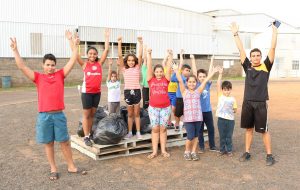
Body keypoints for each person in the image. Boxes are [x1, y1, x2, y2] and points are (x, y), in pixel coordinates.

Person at [10, 31, 87, 181]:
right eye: (48, 65)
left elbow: (72, 61)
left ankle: (71, 166)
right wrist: (15, 50)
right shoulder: (38, 78)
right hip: (44, 116)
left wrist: (75, 45)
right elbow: (21, 67)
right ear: (43, 65)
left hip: (58, 115)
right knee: (49, 143)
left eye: (53, 65)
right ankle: (53, 168)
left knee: (64, 142)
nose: (50, 67)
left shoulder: (60, 75)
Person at [231, 22, 278, 166]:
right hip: (247, 103)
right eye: (253, 56)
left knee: (264, 131)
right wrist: (235, 34)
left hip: (261, 104)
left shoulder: (266, 66)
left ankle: (269, 155)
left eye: (258, 55)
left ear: (261, 57)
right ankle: (247, 152)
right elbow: (240, 50)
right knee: (249, 129)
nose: (256, 57)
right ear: (250, 58)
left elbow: (273, 47)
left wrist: (274, 32)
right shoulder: (248, 66)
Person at [70, 29, 110, 146]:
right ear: (87, 55)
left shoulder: (99, 63)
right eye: (90, 53)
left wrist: (106, 37)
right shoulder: (84, 64)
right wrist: (72, 42)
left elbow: (106, 50)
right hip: (87, 93)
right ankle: (86, 136)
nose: (92, 55)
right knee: (86, 115)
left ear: (96, 55)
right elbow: (74, 53)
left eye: (94, 53)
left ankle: (90, 133)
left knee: (92, 115)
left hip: (97, 93)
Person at [175, 64, 218, 161]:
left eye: (193, 82)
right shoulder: (184, 92)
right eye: (189, 82)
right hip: (189, 119)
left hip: (198, 118)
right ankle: (187, 151)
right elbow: (180, 81)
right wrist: (176, 71)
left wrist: (213, 73)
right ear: (187, 83)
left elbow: (206, 81)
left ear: (196, 83)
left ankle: (194, 152)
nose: (191, 84)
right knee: (190, 136)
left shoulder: (198, 91)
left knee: (196, 136)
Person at [146, 48, 172, 159]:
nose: (159, 73)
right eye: (157, 71)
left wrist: (170, 56)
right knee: (155, 129)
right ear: (154, 72)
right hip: (153, 108)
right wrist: (149, 55)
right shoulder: (150, 80)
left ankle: (163, 151)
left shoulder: (166, 79)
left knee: (163, 129)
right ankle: (154, 151)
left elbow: (169, 68)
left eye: (161, 71)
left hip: (165, 108)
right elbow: (149, 67)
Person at [118, 36, 143, 139]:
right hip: (128, 92)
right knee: (130, 114)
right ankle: (129, 132)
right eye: (129, 60)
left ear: (135, 61)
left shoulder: (137, 68)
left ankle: (138, 132)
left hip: (137, 91)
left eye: (133, 60)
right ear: (126, 61)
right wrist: (119, 43)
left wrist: (140, 43)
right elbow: (120, 56)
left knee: (137, 113)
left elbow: (140, 55)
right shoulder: (124, 69)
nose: (131, 62)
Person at [191, 55, 217, 153]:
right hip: (199, 112)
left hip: (208, 111)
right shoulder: (196, 84)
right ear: (197, 78)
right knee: (200, 130)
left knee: (211, 128)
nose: (202, 78)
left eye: (203, 76)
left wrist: (212, 60)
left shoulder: (207, 84)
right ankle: (201, 147)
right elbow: (194, 71)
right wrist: (193, 59)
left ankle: (212, 146)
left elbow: (210, 72)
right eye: (200, 77)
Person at [216, 67, 237, 157]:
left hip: (230, 120)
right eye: (225, 89)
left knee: (229, 136)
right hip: (221, 120)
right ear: (222, 90)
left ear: (230, 89)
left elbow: (235, 109)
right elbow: (218, 84)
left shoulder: (233, 99)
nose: (227, 91)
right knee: (222, 136)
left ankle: (229, 150)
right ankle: (222, 150)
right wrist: (220, 74)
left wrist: (233, 110)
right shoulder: (220, 96)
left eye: (228, 89)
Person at [171, 49, 191, 131]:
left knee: (186, 112)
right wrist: (175, 71)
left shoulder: (190, 79)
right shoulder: (179, 76)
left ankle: (185, 125)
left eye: (189, 71)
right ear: (182, 70)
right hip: (179, 98)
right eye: (186, 70)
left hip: (187, 98)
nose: (188, 72)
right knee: (177, 113)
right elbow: (172, 79)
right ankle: (177, 124)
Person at [162, 50, 179, 128]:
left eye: (173, 67)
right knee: (167, 108)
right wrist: (168, 55)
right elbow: (163, 62)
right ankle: (169, 122)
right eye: (171, 67)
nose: (171, 68)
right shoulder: (166, 71)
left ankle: (176, 122)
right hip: (167, 93)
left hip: (175, 93)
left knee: (173, 109)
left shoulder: (177, 73)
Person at [141, 45, 149, 110]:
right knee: (146, 102)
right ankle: (145, 111)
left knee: (150, 101)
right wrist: (145, 50)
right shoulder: (143, 68)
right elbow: (145, 58)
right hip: (145, 87)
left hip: (151, 87)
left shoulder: (149, 68)